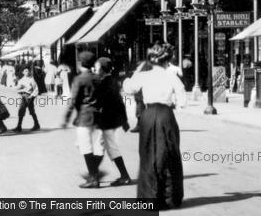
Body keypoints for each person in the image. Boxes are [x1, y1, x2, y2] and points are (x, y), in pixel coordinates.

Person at [123, 43, 187, 209]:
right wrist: (176, 104)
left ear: (151, 60)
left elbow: (129, 88)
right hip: (166, 114)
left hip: (148, 115)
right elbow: (182, 100)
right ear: (167, 60)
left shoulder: (144, 76)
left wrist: (133, 75)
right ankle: (170, 198)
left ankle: (149, 199)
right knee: (170, 153)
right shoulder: (172, 76)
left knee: (148, 154)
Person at [62, 51, 103, 188]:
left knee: (84, 146)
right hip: (99, 116)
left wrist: (66, 118)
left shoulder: (79, 79)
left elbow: (73, 101)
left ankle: (93, 178)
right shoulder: (99, 77)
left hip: (84, 116)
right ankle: (94, 173)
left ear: (80, 63)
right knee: (95, 146)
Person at [94, 57, 132, 186]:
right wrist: (124, 120)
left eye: (97, 68)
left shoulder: (104, 83)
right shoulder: (112, 81)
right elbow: (120, 103)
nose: (95, 70)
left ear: (103, 70)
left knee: (104, 146)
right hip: (111, 120)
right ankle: (95, 176)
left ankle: (95, 176)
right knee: (104, 146)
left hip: (107, 121)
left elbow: (98, 102)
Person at [13, 68, 41, 133]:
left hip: (28, 96)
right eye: (25, 71)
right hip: (23, 96)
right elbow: (17, 88)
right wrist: (16, 83)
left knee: (31, 111)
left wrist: (32, 96)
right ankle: (19, 126)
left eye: (28, 71)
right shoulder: (21, 80)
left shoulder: (31, 79)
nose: (27, 72)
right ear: (23, 72)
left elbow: (36, 89)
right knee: (21, 110)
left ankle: (36, 124)